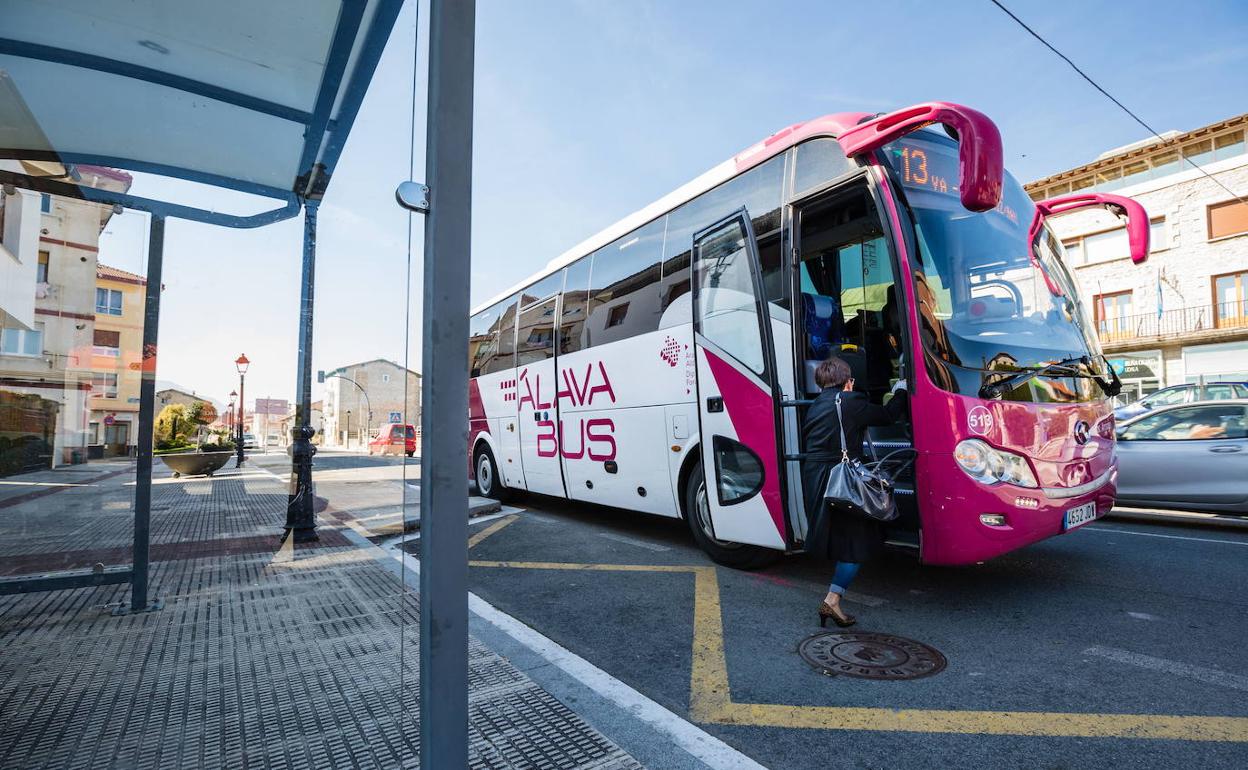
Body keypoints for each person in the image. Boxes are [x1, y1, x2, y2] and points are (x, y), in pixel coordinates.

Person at [801, 355, 908, 628]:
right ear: (848, 382)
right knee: (854, 545)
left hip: (817, 478)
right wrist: (900, 392)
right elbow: (887, 415)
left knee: (843, 538)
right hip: (843, 481)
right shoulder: (851, 401)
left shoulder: (815, 406)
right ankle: (832, 600)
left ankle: (833, 600)